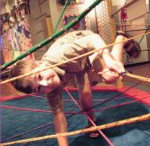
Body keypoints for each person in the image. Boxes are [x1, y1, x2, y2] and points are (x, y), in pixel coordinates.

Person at [9, 30, 140, 146]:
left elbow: (92, 39)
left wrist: (108, 59)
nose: (46, 84)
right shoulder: (51, 92)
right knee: (84, 97)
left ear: (40, 64)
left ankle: (120, 38)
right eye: (38, 89)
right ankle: (92, 122)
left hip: (87, 48)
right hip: (77, 67)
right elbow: (59, 122)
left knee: (110, 77)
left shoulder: (60, 55)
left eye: (39, 76)